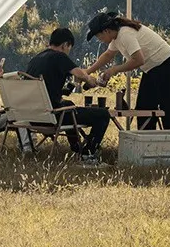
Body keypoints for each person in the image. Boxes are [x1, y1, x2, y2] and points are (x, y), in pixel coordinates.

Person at [23, 25, 110, 158]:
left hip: (32, 117)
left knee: (68, 104)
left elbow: (46, 86)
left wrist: (66, 89)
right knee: (103, 115)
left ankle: (76, 147)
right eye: (69, 48)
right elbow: (79, 73)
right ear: (65, 45)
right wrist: (90, 80)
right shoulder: (59, 56)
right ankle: (88, 153)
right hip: (53, 116)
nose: (68, 51)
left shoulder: (36, 59)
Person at [86, 10, 170, 129]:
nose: (99, 39)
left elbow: (138, 60)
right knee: (144, 107)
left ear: (106, 31)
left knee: (167, 106)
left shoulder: (125, 34)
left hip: (165, 63)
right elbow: (107, 55)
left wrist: (114, 70)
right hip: (151, 68)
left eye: (98, 36)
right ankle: (147, 137)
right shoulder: (116, 37)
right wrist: (87, 72)